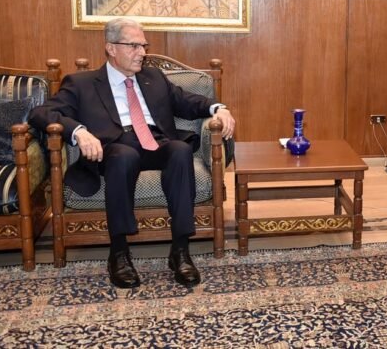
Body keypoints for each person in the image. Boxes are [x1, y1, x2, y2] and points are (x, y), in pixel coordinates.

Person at [29, 18, 235, 289]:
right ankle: (119, 252)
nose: (142, 53)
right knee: (124, 156)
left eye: (144, 46)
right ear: (111, 48)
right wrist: (78, 132)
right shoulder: (82, 83)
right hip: (114, 148)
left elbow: (187, 102)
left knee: (180, 150)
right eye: (134, 46)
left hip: (154, 141)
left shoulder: (154, 78)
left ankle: (180, 250)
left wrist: (219, 108)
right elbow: (41, 113)